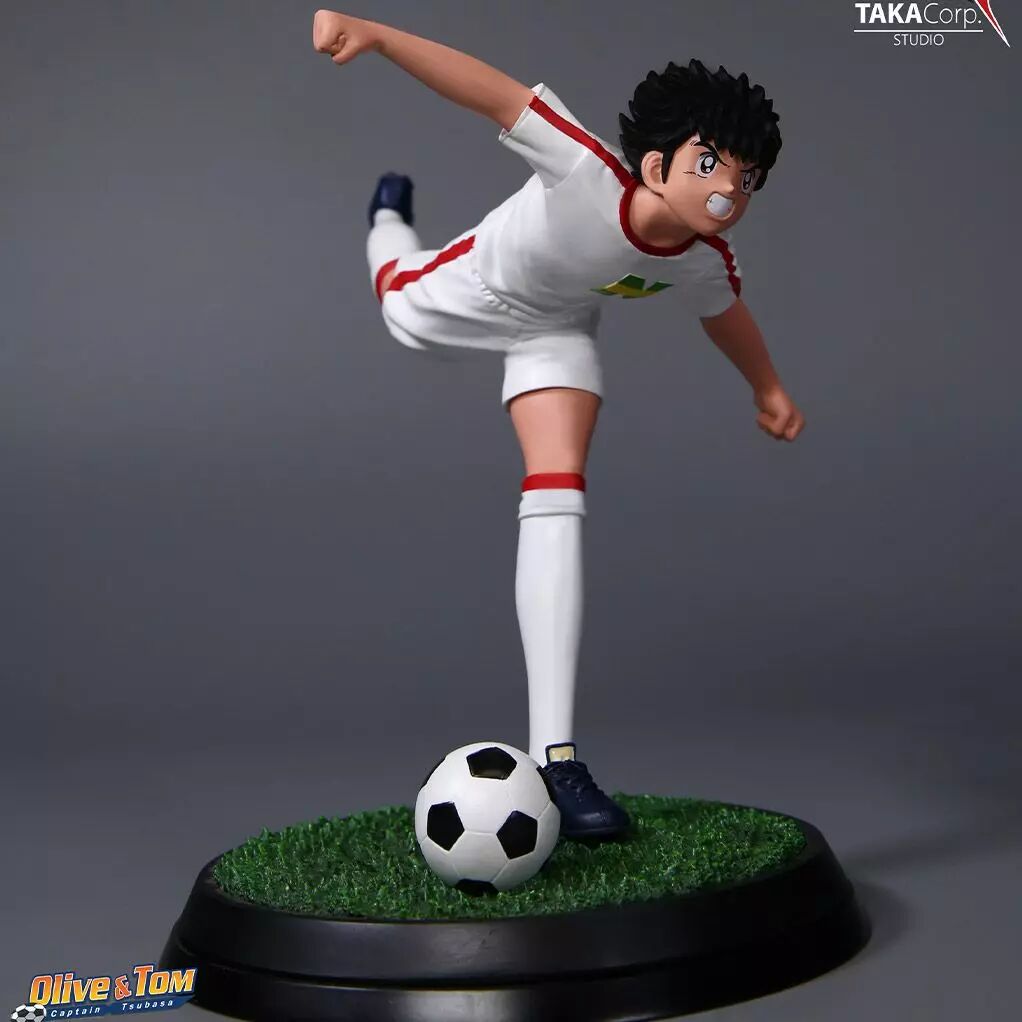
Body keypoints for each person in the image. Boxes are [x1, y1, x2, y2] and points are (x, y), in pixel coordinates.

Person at [312, 9, 806, 840]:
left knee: (559, 493)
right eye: (712, 163)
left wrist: (769, 387)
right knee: (395, 297)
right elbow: (491, 92)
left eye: (748, 177)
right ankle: (388, 220)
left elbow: (725, 315)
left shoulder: (701, 258)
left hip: (556, 334)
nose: (732, 190)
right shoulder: (583, 167)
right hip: (473, 292)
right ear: (658, 163)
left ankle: (557, 758)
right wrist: (379, 35)